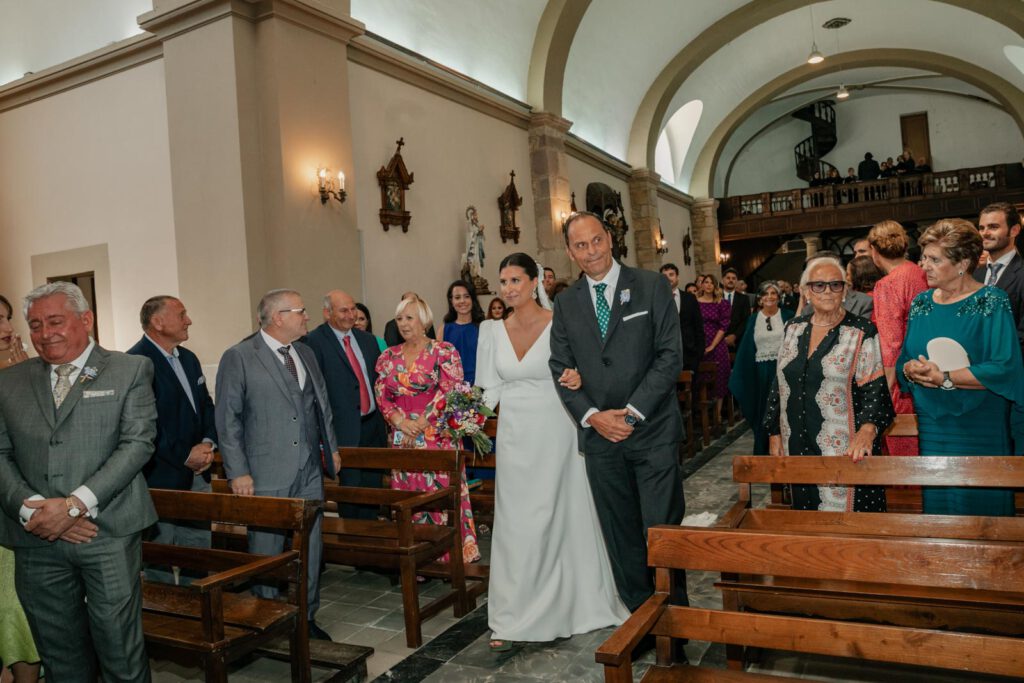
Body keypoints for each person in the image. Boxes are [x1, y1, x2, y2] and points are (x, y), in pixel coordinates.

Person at [0, 282, 157, 682]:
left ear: (85, 319)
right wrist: (35, 509)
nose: (45, 332)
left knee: (120, 654)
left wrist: (73, 507)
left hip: (106, 535)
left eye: (55, 321)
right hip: (36, 541)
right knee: (60, 659)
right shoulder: (9, 381)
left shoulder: (129, 369)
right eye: (35, 324)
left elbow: (137, 444)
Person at [479, 253, 628, 651]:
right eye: (503, 281)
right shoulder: (490, 330)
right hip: (514, 435)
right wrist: (465, 416)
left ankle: (571, 603)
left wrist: (578, 375)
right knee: (517, 520)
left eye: (515, 280)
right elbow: (487, 388)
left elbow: (582, 366)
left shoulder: (558, 321)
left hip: (556, 426)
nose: (509, 288)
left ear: (534, 283)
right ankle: (513, 615)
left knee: (559, 512)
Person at [549, 211, 685, 614]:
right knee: (620, 536)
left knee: (661, 534)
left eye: (596, 241)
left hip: (653, 432)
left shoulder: (650, 285)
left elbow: (669, 356)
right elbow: (560, 366)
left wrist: (630, 413)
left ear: (609, 239)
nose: (591, 252)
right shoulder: (566, 301)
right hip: (601, 440)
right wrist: (592, 415)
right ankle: (642, 619)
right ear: (570, 253)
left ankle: (675, 622)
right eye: (580, 245)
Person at [215, 289, 339, 641]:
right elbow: (228, 420)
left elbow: (321, 406)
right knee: (266, 552)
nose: (307, 317)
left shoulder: (306, 353)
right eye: (301, 311)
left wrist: (331, 451)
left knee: (311, 549)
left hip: (309, 470)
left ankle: (306, 616)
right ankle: (266, 621)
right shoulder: (239, 356)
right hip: (266, 470)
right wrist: (237, 471)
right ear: (278, 317)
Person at [899, 219, 1024, 515]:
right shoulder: (921, 304)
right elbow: (906, 357)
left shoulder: (992, 302)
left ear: (962, 263)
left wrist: (943, 377)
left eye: (934, 259)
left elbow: (1004, 367)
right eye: (924, 258)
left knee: (982, 506)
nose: (924, 266)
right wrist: (910, 371)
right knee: (941, 503)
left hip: (980, 422)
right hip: (933, 422)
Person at [765, 257, 894, 512]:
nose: (828, 291)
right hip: (797, 442)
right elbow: (778, 383)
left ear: (845, 290)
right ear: (805, 291)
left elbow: (875, 390)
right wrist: (773, 431)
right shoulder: (793, 328)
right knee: (807, 521)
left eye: (836, 285)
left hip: (845, 448)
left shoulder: (862, 331)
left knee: (850, 529)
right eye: (819, 285)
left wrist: (868, 431)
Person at [374, 297, 480, 563]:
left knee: (440, 495)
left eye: (409, 318)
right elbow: (381, 395)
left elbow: (450, 389)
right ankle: (418, 560)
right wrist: (400, 422)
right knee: (410, 496)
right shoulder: (388, 356)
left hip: (435, 436)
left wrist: (421, 422)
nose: (404, 324)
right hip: (402, 437)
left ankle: (449, 557)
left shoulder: (444, 351)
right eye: (399, 319)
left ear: (424, 320)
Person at [127, 296, 217, 585]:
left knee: (199, 552)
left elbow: (205, 406)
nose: (188, 320)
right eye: (182, 314)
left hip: (199, 472)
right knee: (160, 558)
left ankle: (197, 614)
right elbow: (144, 425)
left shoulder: (188, 358)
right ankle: (166, 619)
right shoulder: (135, 363)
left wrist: (207, 443)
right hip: (160, 475)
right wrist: (183, 455)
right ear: (158, 321)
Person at [304, 290, 388, 519]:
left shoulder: (367, 340)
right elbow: (314, 394)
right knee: (350, 494)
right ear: (326, 313)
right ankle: (352, 546)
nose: (351, 315)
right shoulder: (314, 342)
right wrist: (325, 442)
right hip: (342, 432)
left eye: (353, 309)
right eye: (344, 310)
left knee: (373, 492)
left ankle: (371, 541)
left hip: (373, 428)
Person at [0, 295, 40, 683]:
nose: (9, 330)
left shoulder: (23, 370)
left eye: (8, 319)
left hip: (22, 508)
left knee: (18, 609)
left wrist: (27, 377)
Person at [868, 220, 929, 456]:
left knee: (903, 458)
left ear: (874, 251)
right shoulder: (920, 273)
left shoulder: (887, 284)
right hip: (926, 372)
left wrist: (883, 393)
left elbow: (891, 344)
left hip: (901, 382)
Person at [728, 282, 793, 455]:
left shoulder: (788, 316)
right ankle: (764, 449)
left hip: (784, 371)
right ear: (760, 299)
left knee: (785, 410)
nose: (770, 297)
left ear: (779, 298)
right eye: (766, 294)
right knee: (764, 411)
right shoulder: (753, 319)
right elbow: (747, 348)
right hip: (762, 373)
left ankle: (788, 449)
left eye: (773, 293)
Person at [974, 203, 1024, 360]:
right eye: (981, 228)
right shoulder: (976, 274)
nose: (984, 233)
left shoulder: (1022, 273)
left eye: (993, 227)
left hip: (1011, 367)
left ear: (1014, 230)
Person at [696, 273, 732, 421]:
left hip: (717, 345)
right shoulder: (695, 302)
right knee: (702, 378)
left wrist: (712, 346)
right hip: (700, 343)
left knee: (720, 378)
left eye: (712, 283)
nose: (709, 285)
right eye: (706, 282)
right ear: (702, 285)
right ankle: (704, 415)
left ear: (715, 286)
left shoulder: (722, 303)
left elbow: (723, 327)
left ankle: (717, 414)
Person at [438, 280, 485, 385]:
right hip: (452, 391)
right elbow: (439, 365)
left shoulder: (483, 328)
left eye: (466, 296)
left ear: (473, 299)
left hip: (479, 387)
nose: (462, 301)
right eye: (457, 297)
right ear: (451, 301)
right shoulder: (443, 330)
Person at [660, 263, 703, 372]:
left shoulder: (689, 298)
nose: (668, 278)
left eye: (671, 274)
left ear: (677, 277)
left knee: (692, 387)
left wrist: (699, 352)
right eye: (664, 276)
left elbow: (698, 326)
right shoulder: (656, 299)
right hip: (665, 355)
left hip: (689, 352)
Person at [722, 267, 752, 349]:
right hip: (717, 340)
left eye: (733, 278)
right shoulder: (716, 297)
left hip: (737, 341)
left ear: (736, 281)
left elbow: (746, 319)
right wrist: (721, 337)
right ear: (723, 280)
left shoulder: (744, 298)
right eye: (728, 278)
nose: (731, 280)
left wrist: (734, 336)